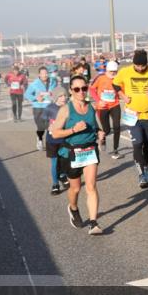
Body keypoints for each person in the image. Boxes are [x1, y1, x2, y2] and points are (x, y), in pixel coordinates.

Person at [50, 75, 105, 235]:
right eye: (77, 89)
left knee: (91, 186)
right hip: (71, 152)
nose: (81, 92)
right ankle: (73, 208)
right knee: (75, 189)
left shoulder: (91, 107)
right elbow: (55, 133)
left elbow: (96, 127)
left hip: (89, 150)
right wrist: (74, 129)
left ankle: (93, 223)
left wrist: (100, 133)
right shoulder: (66, 109)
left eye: (84, 88)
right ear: (71, 91)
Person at [113, 50, 148, 188]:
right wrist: (122, 96)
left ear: (146, 64)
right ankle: (142, 175)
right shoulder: (125, 71)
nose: (139, 68)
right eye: (137, 66)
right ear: (133, 63)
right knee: (137, 143)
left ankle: (145, 167)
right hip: (132, 114)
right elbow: (115, 84)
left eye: (142, 66)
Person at [89, 60, 125, 159]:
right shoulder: (100, 78)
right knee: (107, 130)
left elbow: (124, 91)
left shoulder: (119, 79)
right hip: (102, 107)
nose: (113, 73)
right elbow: (91, 89)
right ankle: (102, 139)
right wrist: (98, 100)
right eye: (111, 71)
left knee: (117, 127)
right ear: (107, 70)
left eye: (115, 71)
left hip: (115, 105)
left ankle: (115, 150)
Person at [25, 67, 59, 150]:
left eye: (46, 73)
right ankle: (40, 139)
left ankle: (50, 143)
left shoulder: (53, 82)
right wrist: (36, 98)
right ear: (39, 74)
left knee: (50, 126)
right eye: (43, 73)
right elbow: (27, 94)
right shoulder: (34, 84)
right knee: (41, 127)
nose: (45, 75)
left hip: (50, 107)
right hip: (38, 108)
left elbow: (56, 92)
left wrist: (55, 96)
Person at [44, 90, 70, 195]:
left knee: (65, 161)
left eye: (65, 95)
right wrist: (48, 126)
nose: (63, 98)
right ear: (56, 97)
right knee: (54, 163)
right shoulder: (50, 108)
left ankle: (62, 175)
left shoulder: (68, 107)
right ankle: (55, 184)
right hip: (52, 140)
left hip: (65, 139)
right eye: (60, 96)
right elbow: (42, 121)